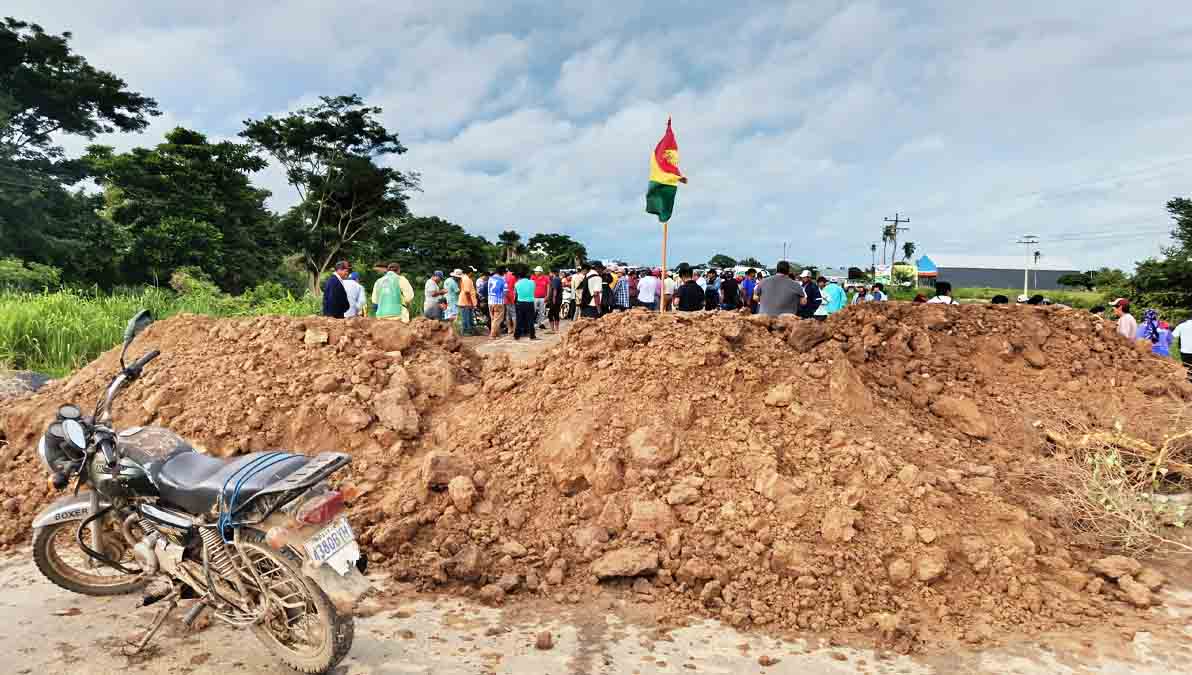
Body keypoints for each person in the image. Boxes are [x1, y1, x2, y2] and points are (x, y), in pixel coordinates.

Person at [513, 266, 538, 340]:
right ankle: (532, 335)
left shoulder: (517, 283)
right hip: (530, 302)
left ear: (519, 276)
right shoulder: (532, 282)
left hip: (520, 303)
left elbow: (515, 294)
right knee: (530, 320)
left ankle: (517, 335)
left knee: (519, 319)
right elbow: (533, 291)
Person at [487, 266, 507, 338]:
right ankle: (492, 335)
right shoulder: (503, 280)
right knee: (497, 319)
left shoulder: (490, 278)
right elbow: (505, 291)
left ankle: (497, 334)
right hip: (498, 301)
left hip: (490, 301)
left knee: (494, 318)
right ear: (502, 272)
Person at [458, 269, 478, 336]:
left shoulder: (465, 278)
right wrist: (470, 302)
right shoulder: (466, 279)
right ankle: (466, 331)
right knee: (466, 317)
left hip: (466, 301)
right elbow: (467, 292)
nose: (473, 274)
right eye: (472, 272)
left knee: (468, 317)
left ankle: (469, 330)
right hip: (466, 301)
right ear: (470, 272)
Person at [504, 266, 518, 335]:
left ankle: (509, 329)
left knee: (507, 314)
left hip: (504, 297)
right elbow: (515, 288)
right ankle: (515, 329)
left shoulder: (503, 277)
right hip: (512, 297)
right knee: (513, 314)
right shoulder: (513, 277)